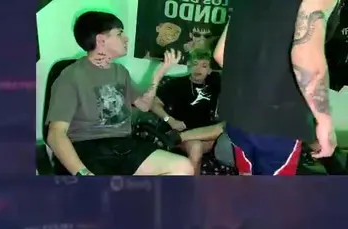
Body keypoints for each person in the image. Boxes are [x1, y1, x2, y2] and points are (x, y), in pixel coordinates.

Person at [44, 11, 194, 176]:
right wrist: (83, 173)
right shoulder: (71, 76)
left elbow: (144, 105)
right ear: (101, 40)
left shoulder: (120, 72)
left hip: (123, 146)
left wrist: (158, 75)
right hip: (87, 149)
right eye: (120, 33)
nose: (126, 38)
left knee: (183, 168)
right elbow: (55, 134)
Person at [214, 0, 339, 174]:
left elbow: (221, 54)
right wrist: (324, 121)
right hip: (278, 120)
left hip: (238, 114)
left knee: (248, 184)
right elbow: (305, 57)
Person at [155, 50, 226, 172]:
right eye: (195, 64)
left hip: (209, 133)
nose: (198, 69)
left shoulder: (215, 82)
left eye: (204, 66)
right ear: (189, 65)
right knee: (196, 147)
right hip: (185, 132)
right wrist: (170, 120)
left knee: (229, 132)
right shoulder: (177, 84)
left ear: (210, 70)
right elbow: (154, 103)